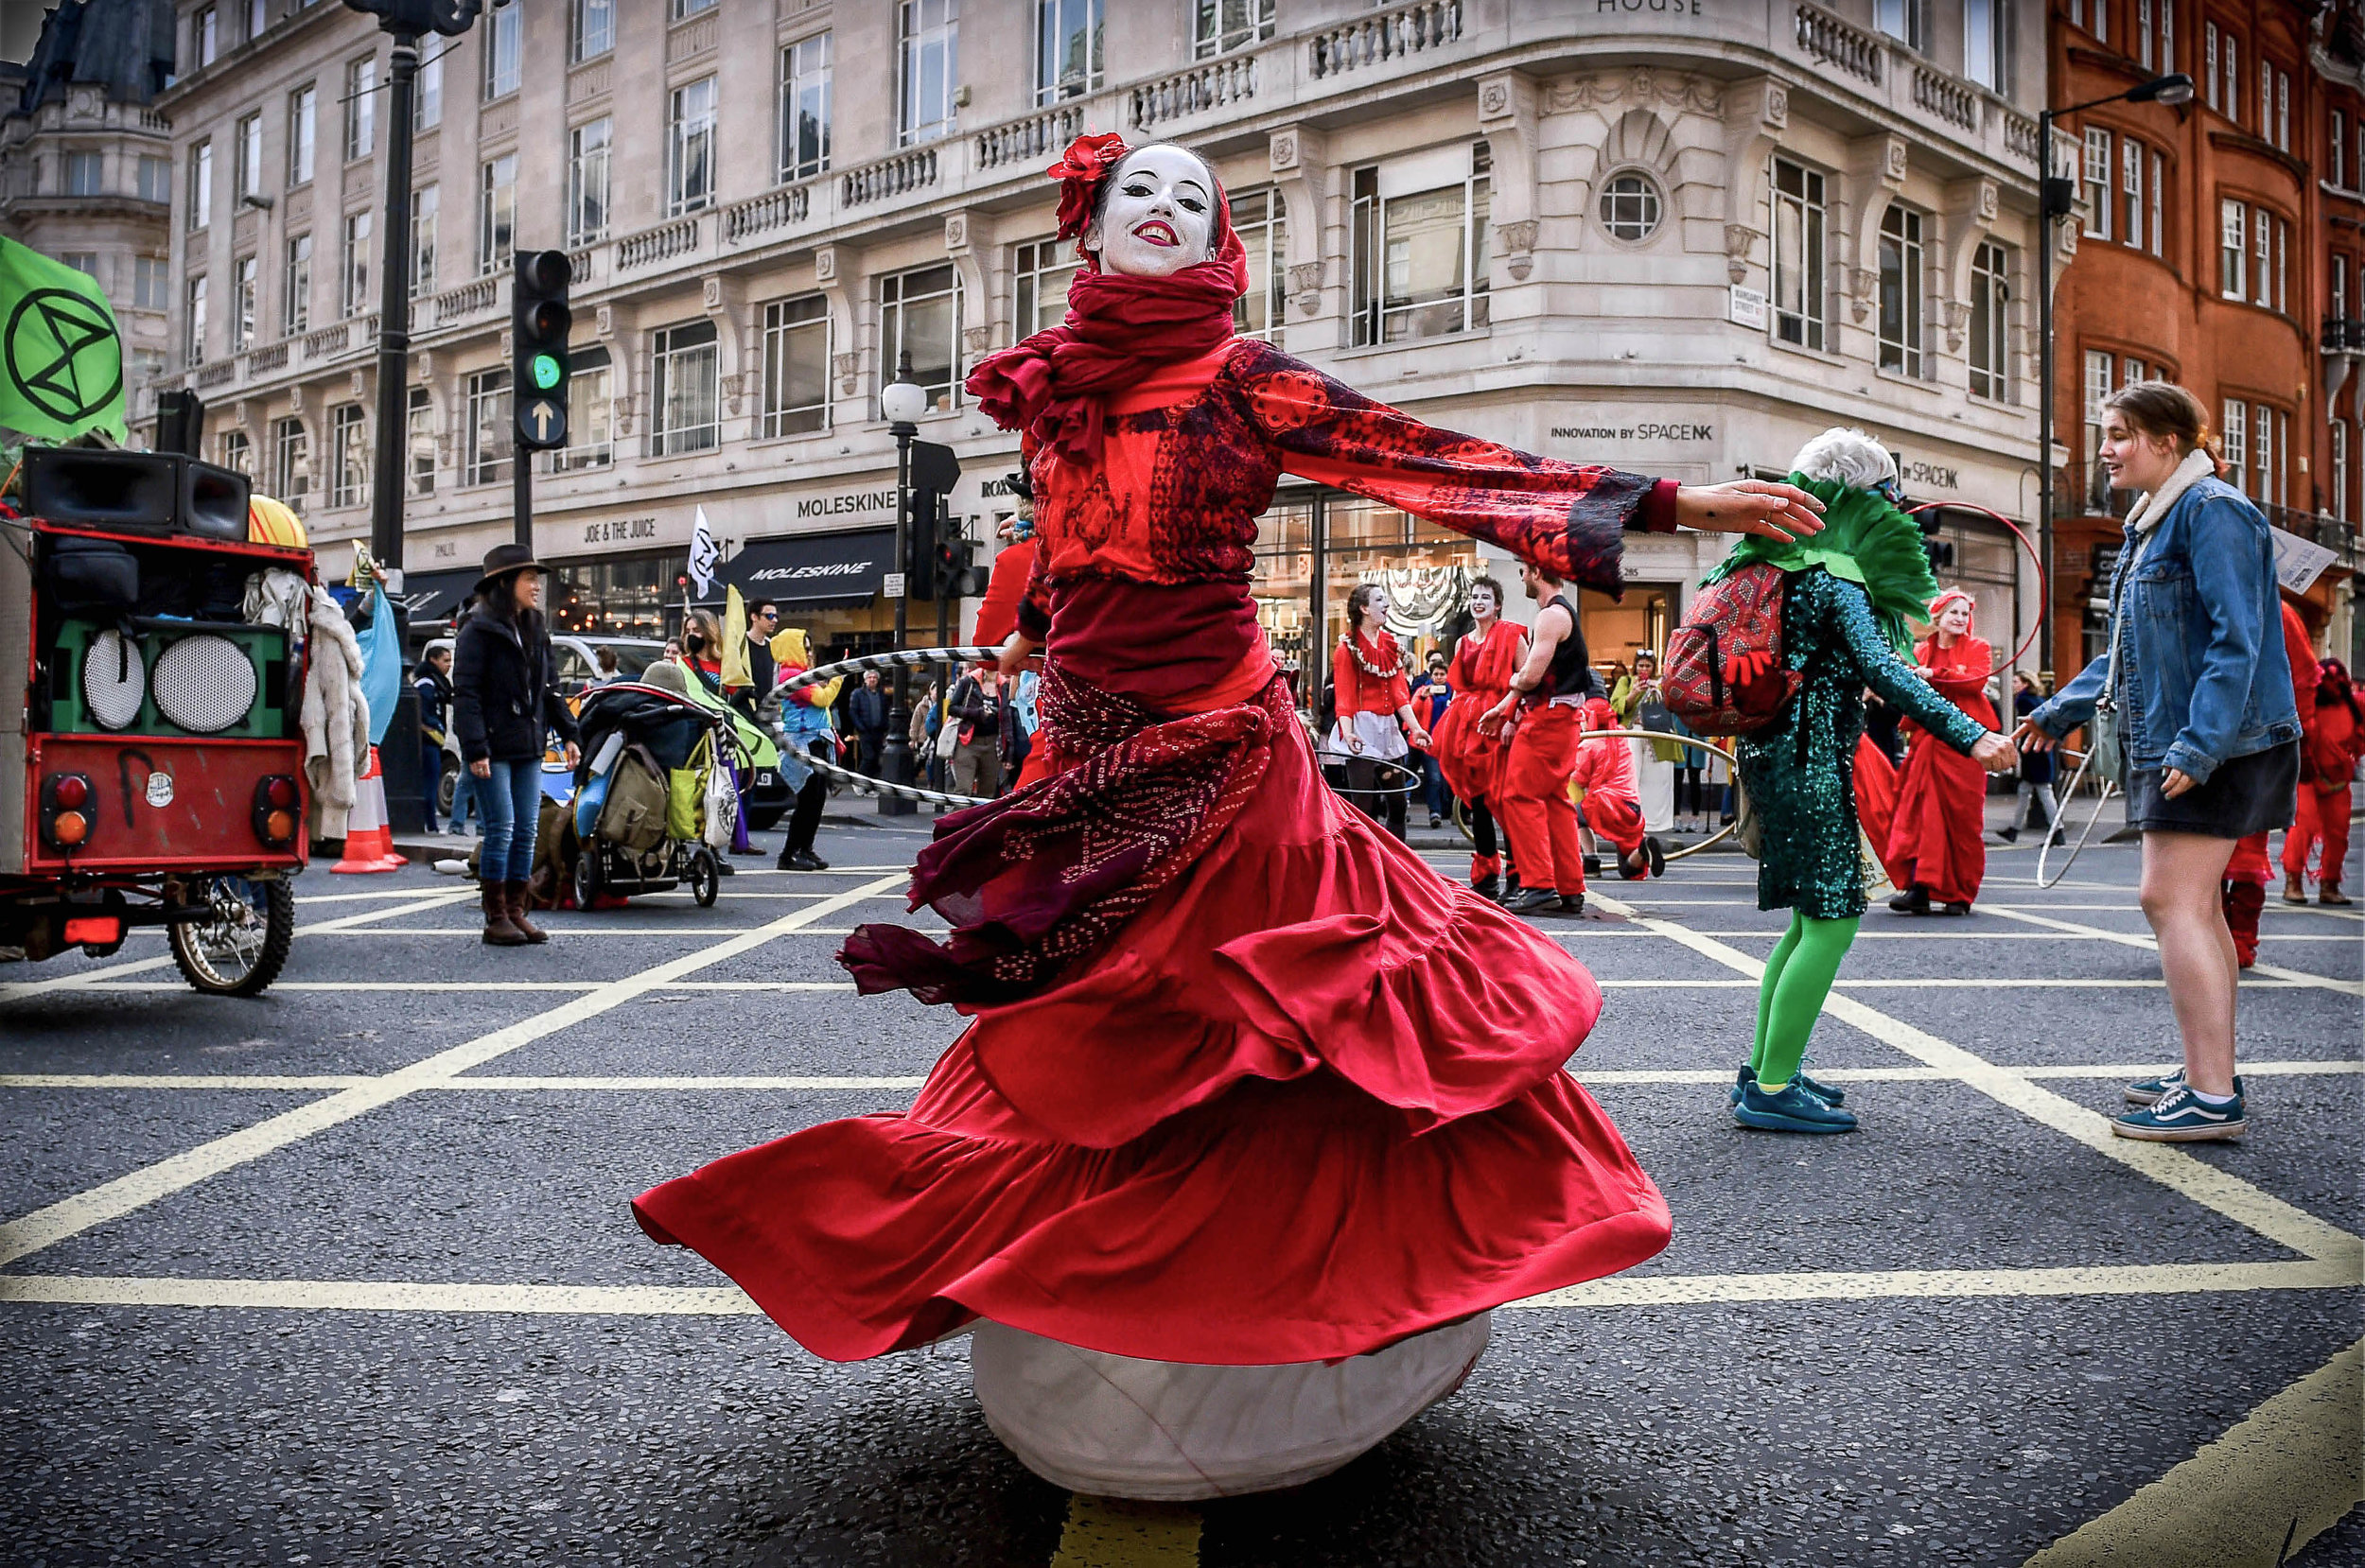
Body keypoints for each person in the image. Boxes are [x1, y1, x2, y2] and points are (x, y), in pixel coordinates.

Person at [632, 133, 1828, 1499]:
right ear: (1091, 225)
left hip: (1224, 753)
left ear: (1219, 246)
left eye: (1194, 199)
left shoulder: (1245, 376)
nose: (1164, 206)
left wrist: (1670, 498)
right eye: (1141, 187)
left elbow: (1420, 459)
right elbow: (1062, 554)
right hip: (1082, 760)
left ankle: (1282, 1323)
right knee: (1089, 1040)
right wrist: (1020, 643)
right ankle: (1101, 1305)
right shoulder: (1055, 386)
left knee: (1255, 1031)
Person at [2020, 381, 2303, 1142]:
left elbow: (2235, 639)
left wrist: (2201, 743)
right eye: (2105, 433)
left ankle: (2211, 1098)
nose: (2104, 449)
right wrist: (2058, 709)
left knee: (2169, 900)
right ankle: (2208, 1072)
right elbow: (2130, 650)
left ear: (2169, 443)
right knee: (2195, 907)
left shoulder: (2213, 512)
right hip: (2182, 739)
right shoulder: (2158, 520)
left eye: (2119, 435)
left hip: (2210, 744)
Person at [1720, 430, 2017, 1134]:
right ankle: (1771, 1084)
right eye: (1888, 493)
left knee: (1803, 923)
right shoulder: (1836, 572)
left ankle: (1766, 1067)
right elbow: (1882, 671)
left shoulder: (1777, 562)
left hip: (1772, 752)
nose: (1896, 507)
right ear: (1857, 496)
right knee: (1831, 921)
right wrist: (1974, 735)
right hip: (1813, 760)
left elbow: (1846, 662)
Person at [451, 544, 581, 947]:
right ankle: (495, 917)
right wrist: (475, 748)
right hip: (493, 744)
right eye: (529, 578)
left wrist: (571, 732)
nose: (537, 585)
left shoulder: (535, 628)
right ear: (505, 583)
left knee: (526, 829)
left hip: (528, 743)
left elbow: (550, 688)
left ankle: (515, 911)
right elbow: (466, 693)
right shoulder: (477, 630)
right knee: (502, 828)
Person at [1482, 561, 1595, 915]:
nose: (1521, 579)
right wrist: (1505, 708)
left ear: (1536, 571)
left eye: (1523, 572)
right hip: (1560, 717)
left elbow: (1530, 675)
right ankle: (1568, 887)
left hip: (1549, 719)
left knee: (1517, 794)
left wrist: (1505, 700)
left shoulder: (1551, 616)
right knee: (1555, 799)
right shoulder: (1560, 614)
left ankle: (1540, 884)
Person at [1884, 588, 2000, 915]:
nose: (1961, 619)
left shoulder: (1978, 648)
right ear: (1938, 618)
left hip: (1964, 749)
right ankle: (1918, 887)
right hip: (1927, 744)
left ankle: (1959, 893)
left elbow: (1975, 682)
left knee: (1961, 821)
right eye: (1954, 613)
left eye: (1965, 613)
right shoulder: (1921, 650)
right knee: (1918, 816)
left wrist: (1935, 675)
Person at [1431, 576, 1525, 897]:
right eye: (1474, 596)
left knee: (1506, 802)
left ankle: (1517, 876)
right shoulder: (1462, 642)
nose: (1478, 601)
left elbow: (1525, 684)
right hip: (1470, 727)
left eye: (1485, 596)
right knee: (1480, 803)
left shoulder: (1512, 636)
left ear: (1497, 604)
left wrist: (1513, 719)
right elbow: (1460, 689)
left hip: (1501, 723)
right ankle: (1486, 874)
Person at [1330, 583, 1429, 841]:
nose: (1386, 604)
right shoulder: (1347, 649)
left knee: (1397, 805)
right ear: (1364, 608)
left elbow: (1400, 695)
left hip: (1387, 727)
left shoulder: (1390, 646)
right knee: (1364, 807)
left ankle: (1398, 865)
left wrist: (1416, 728)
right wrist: (1348, 733)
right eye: (1379, 600)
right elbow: (1345, 696)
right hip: (1361, 728)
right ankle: (1364, 866)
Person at [2286, 655, 2360, 906]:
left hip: (2338, 781)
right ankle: (2293, 880)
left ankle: (2330, 883)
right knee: (2303, 826)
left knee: (2338, 833)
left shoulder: (2354, 706)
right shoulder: (2306, 706)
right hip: (2308, 775)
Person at [1570, 694, 1661, 880]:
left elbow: (1578, 780)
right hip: (1632, 808)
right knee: (1628, 871)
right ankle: (1643, 849)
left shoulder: (1589, 745)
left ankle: (1591, 861)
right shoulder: (1622, 735)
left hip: (1605, 804)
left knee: (1572, 814)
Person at [772, 627, 835, 871]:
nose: (809, 653)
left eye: (810, 648)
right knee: (808, 799)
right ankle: (789, 854)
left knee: (817, 798)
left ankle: (805, 848)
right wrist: (839, 678)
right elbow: (822, 700)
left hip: (815, 739)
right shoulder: (790, 675)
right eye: (805, 647)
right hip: (802, 740)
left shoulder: (804, 674)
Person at [1996, 672, 2060, 845]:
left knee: (2042, 792)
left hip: (2033, 752)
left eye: (2016, 681)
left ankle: (2057, 830)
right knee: (2028, 791)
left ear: (2025, 683)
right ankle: (2015, 829)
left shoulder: (2023, 701)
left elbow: (2027, 726)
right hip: (2041, 751)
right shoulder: (2038, 699)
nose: (2013, 684)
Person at [945, 664, 1006, 799]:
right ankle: (958, 820)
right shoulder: (969, 681)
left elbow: (1007, 717)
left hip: (992, 744)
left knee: (987, 794)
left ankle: (980, 821)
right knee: (963, 792)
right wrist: (977, 713)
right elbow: (952, 708)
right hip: (967, 742)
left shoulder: (1003, 684)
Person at [1410, 651, 1454, 828]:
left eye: (1442, 674)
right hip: (1424, 742)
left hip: (1445, 741)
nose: (1439, 677)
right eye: (1436, 674)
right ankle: (1432, 811)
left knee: (1440, 779)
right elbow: (1412, 710)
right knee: (1422, 776)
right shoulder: (1422, 690)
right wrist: (1423, 697)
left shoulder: (1453, 692)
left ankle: (1440, 811)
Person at [414, 646, 453, 834]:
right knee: (430, 783)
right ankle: (431, 824)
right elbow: (424, 713)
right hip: (429, 741)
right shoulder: (427, 685)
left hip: (430, 741)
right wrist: (436, 727)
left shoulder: (432, 684)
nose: (449, 665)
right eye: (445, 660)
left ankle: (429, 823)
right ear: (433, 660)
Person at [848, 669, 890, 777]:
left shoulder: (881, 694)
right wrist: (860, 727)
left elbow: (886, 711)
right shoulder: (858, 694)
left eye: (875, 678)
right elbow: (853, 712)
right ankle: (858, 781)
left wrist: (885, 726)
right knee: (868, 757)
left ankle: (871, 785)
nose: (872, 680)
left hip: (879, 731)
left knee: (876, 759)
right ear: (865, 680)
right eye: (869, 677)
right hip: (865, 731)